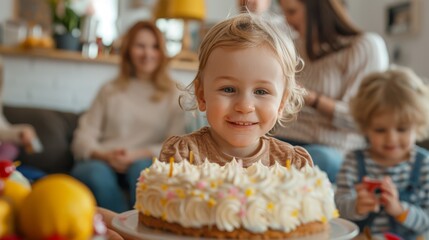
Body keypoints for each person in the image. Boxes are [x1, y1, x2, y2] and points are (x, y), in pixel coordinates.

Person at [159, 12, 312, 169]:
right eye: (228, 89)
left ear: (282, 102)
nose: (245, 106)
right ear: (201, 95)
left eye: (261, 91)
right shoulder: (182, 156)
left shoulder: (292, 164)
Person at [71, 21, 186, 213]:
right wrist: (104, 155)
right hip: (103, 161)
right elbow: (83, 137)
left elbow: (175, 144)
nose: (147, 54)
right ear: (128, 51)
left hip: (145, 161)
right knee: (96, 174)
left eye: (154, 47)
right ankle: (123, 229)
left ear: (162, 52)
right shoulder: (109, 90)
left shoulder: (175, 93)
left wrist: (135, 155)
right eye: (140, 46)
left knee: (142, 170)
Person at [275, 0, 389, 182]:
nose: (287, 21)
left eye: (292, 11)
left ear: (317, 9)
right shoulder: (295, 46)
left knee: (311, 161)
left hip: (330, 147)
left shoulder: (365, 46)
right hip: (283, 137)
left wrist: (312, 98)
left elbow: (364, 119)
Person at [335, 67, 429, 239]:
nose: (391, 139)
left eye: (402, 129)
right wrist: (357, 206)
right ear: (365, 127)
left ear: (417, 125)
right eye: (380, 130)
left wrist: (400, 210)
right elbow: (338, 209)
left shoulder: (424, 164)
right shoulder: (354, 161)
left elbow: (426, 220)